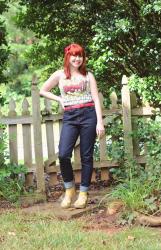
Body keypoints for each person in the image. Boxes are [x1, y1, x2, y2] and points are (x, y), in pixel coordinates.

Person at [40, 43, 105, 209]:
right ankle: (70, 190)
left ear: (83, 58)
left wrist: (99, 122)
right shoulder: (60, 75)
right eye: (74, 55)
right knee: (63, 154)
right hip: (70, 116)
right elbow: (43, 90)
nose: (77, 58)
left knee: (86, 156)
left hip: (88, 116)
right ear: (68, 57)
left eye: (80, 55)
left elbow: (96, 99)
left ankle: (83, 193)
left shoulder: (88, 76)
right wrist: (60, 99)